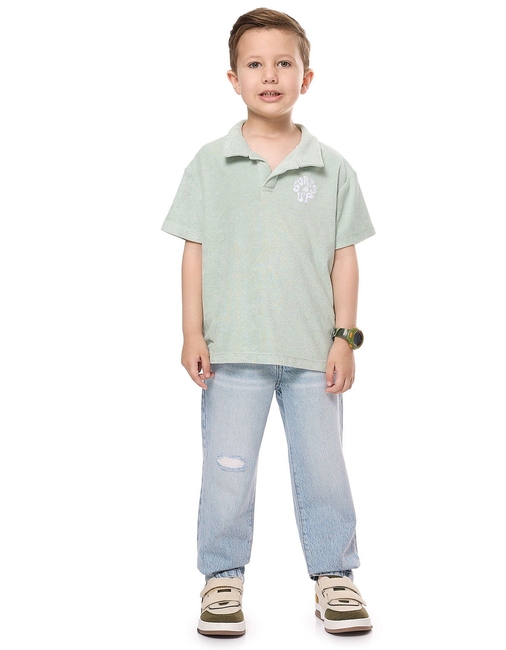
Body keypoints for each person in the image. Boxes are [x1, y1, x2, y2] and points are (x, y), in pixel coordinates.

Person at [161, 7, 375, 637]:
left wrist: (345, 338)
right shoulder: (210, 163)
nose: (270, 75)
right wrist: (192, 333)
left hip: (312, 354)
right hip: (232, 352)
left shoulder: (332, 167)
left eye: (284, 63)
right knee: (226, 471)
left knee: (324, 470)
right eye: (255, 64)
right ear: (233, 79)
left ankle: (334, 575)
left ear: (307, 77)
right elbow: (194, 250)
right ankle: (222, 577)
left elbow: (344, 258)